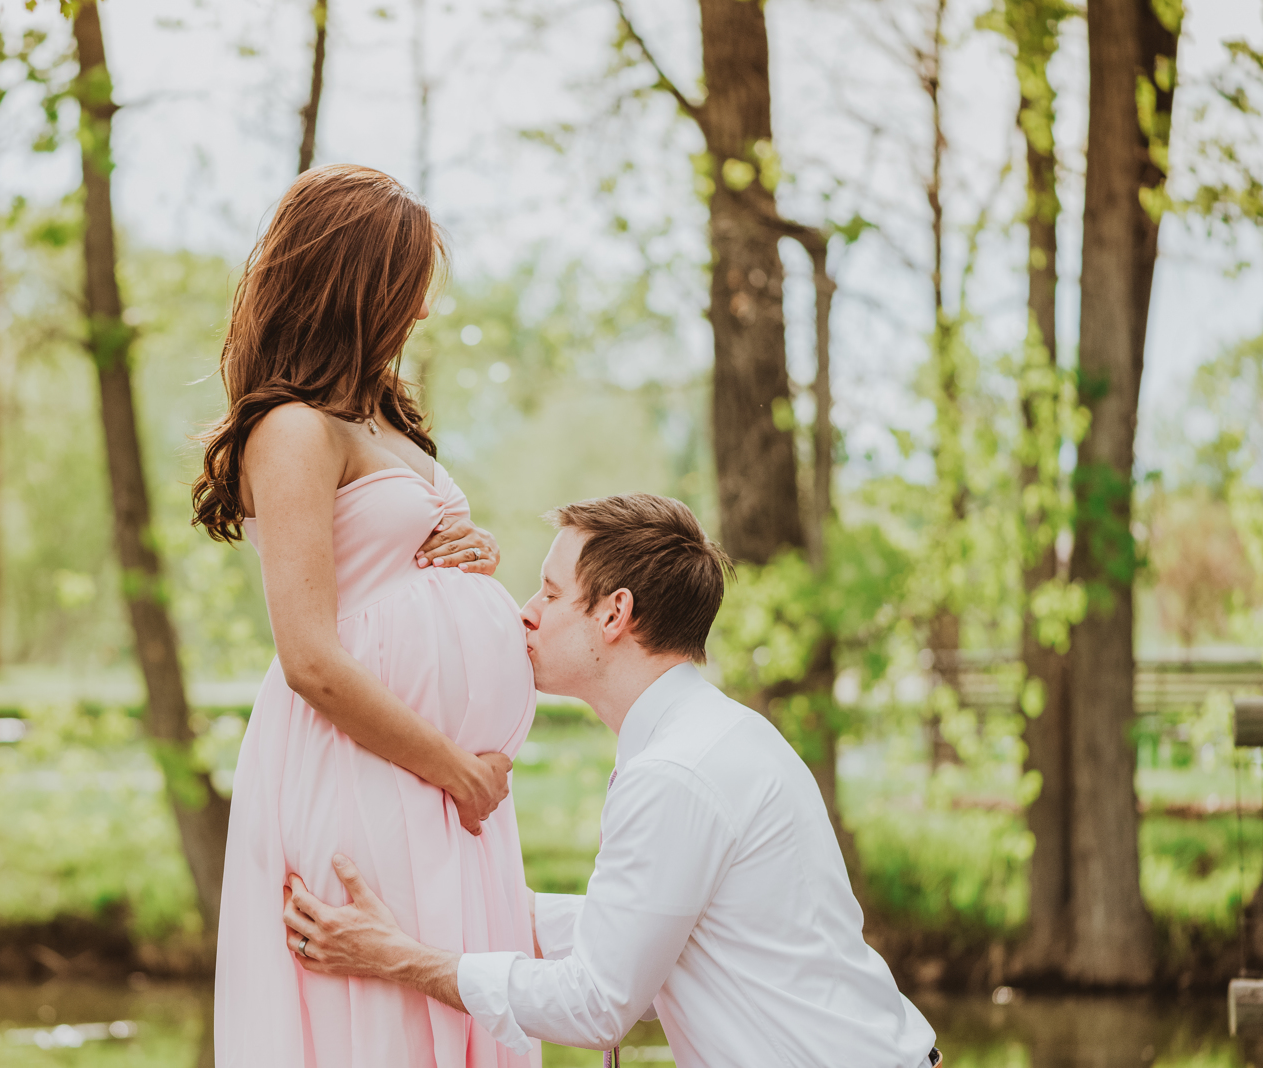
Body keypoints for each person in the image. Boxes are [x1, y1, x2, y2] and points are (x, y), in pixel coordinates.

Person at [283, 494, 942, 1068]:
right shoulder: (714, 735)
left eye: (550, 591)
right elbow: (647, 935)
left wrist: (397, 958)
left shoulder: (677, 774)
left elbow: (597, 1006)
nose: (525, 612)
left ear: (614, 613)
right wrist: (462, 893)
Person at [191, 164, 539, 1067]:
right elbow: (309, 656)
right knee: (376, 1023)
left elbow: (388, 560)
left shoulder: (385, 415)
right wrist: (457, 771)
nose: (419, 312)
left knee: (445, 995)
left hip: (442, 785)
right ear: (354, 284)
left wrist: (472, 555)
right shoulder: (293, 429)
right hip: (369, 766)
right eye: (407, 288)